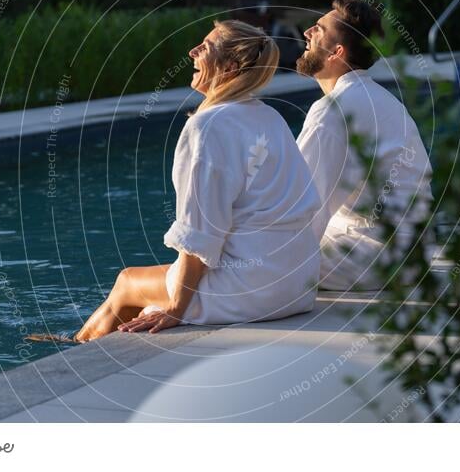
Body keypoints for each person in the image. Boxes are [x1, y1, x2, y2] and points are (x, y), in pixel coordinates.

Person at [73, 20, 321, 341]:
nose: (192, 51)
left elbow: (201, 233)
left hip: (250, 290)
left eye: (205, 46)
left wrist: (177, 308)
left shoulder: (207, 126)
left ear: (229, 67)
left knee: (126, 283)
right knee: (146, 294)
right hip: (297, 284)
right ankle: (80, 341)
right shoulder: (269, 117)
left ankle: (77, 349)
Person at [295, 0, 432, 292]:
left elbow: (301, 205)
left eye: (318, 29)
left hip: (371, 260)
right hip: (413, 254)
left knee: (244, 261)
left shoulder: (332, 111)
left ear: (337, 52)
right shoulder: (383, 100)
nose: (307, 32)